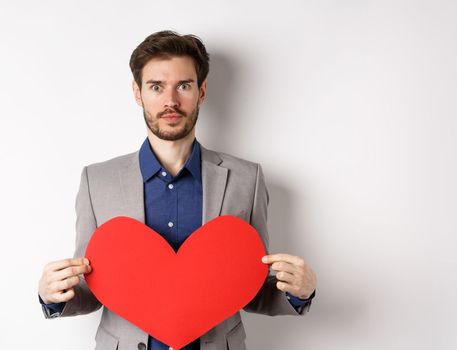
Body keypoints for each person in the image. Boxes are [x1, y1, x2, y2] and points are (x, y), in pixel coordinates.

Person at [37, 30, 317, 350]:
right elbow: (90, 289)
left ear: (202, 92)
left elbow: (252, 290)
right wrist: (52, 296)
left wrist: (299, 292)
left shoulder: (247, 179)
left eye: (183, 85)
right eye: (156, 86)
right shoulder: (96, 181)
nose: (170, 100)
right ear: (137, 92)